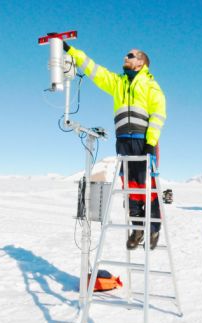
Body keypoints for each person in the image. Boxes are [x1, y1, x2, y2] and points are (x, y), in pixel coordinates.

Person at [63, 41, 166, 250]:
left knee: (147, 186)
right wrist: (70, 50)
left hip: (143, 142)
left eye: (130, 55)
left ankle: (154, 228)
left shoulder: (150, 85)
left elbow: (158, 114)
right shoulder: (117, 83)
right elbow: (95, 70)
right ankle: (137, 229)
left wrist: (150, 143)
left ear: (140, 62)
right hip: (123, 142)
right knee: (130, 187)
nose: (124, 58)